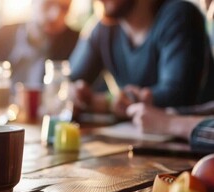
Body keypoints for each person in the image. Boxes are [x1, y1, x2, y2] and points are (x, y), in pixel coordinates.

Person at [68, 0, 214, 119]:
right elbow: (67, 80)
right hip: (138, 141)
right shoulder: (102, 29)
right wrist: (75, 94)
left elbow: (177, 97)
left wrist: (105, 102)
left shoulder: (179, 15)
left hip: (191, 144)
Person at [126, 0, 214, 154]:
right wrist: (172, 114)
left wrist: (169, 123)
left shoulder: (177, 13)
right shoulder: (103, 29)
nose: (210, 14)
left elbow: (176, 90)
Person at [0, 0, 79, 90]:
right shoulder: (4, 34)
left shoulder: (75, 41)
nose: (55, 15)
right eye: (48, 4)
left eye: (64, 9)